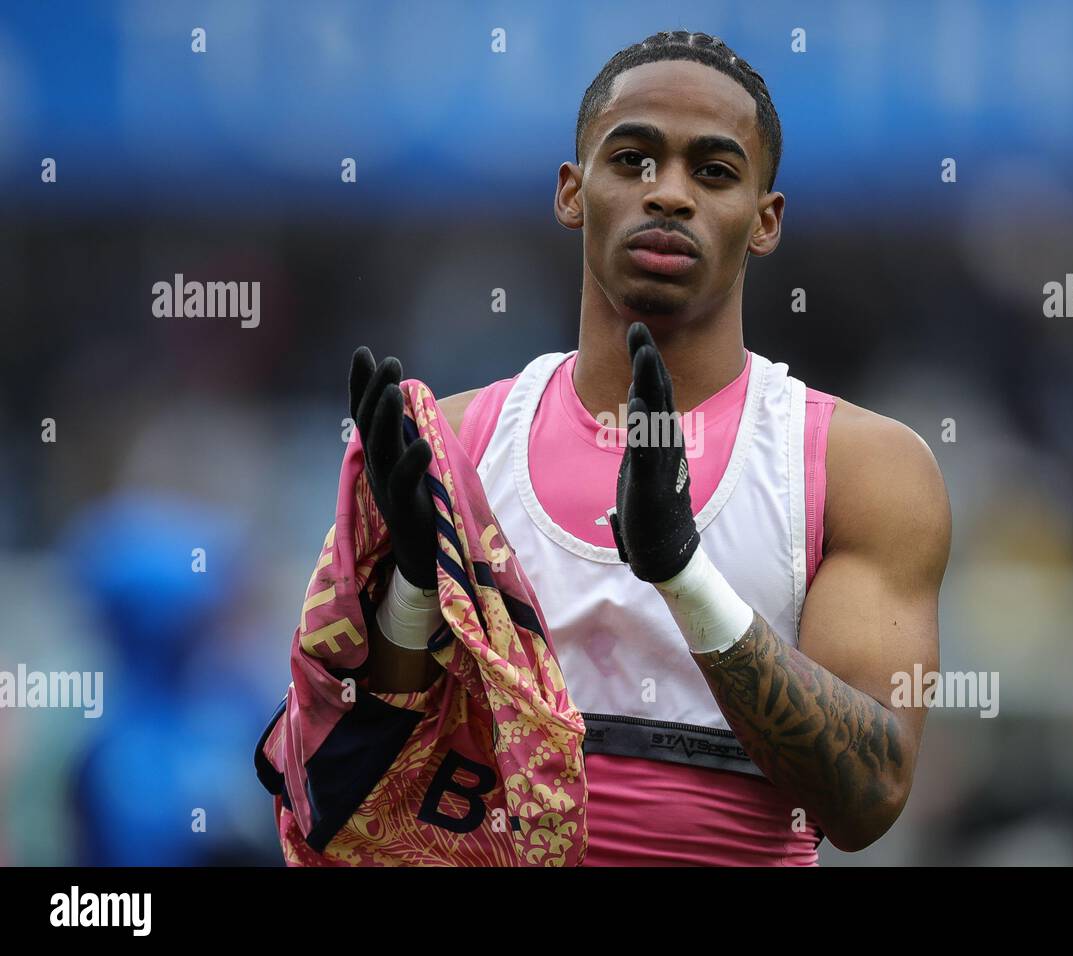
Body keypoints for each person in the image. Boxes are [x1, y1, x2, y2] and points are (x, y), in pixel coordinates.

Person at [351, 29, 951, 865]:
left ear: (766, 218)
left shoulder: (859, 467)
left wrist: (683, 572)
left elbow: (867, 799)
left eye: (713, 171)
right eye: (632, 159)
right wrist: (413, 592)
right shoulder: (453, 444)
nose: (667, 193)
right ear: (572, 191)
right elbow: (363, 781)